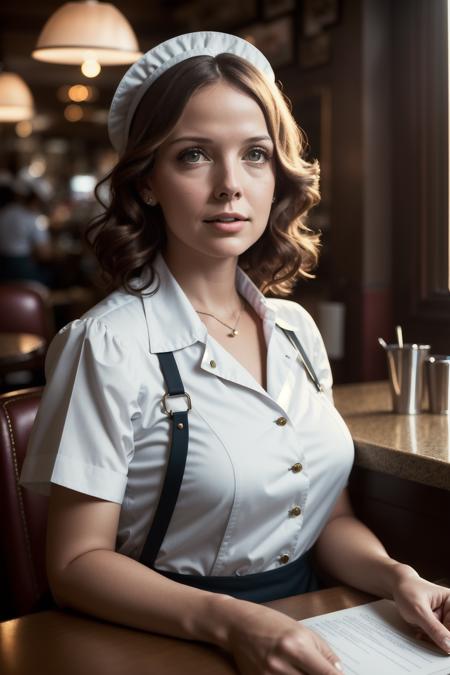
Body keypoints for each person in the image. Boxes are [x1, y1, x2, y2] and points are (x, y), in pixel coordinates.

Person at [20, 31, 450, 675]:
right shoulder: (107, 344)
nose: (230, 186)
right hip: (166, 637)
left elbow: (328, 517)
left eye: (255, 154)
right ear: (144, 184)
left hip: (314, 622)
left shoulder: (298, 331)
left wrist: (396, 577)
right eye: (194, 155)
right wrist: (232, 621)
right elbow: (77, 565)